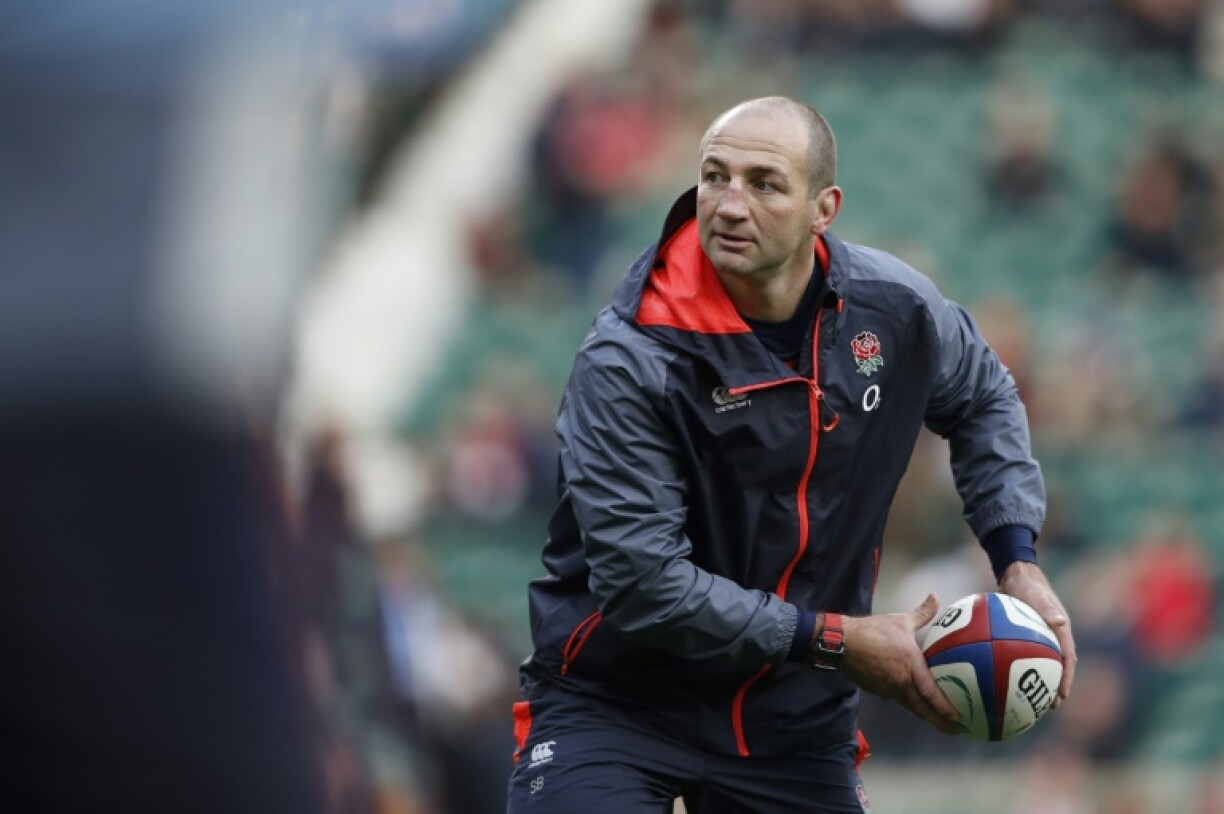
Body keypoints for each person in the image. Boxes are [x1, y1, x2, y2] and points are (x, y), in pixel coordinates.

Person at [506, 96, 1076, 814]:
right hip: (616, 703)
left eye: (764, 183)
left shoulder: (896, 311)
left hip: (795, 721)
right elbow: (644, 585)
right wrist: (839, 640)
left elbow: (985, 394)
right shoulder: (631, 356)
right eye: (715, 177)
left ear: (823, 208)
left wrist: (1016, 558)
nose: (730, 205)